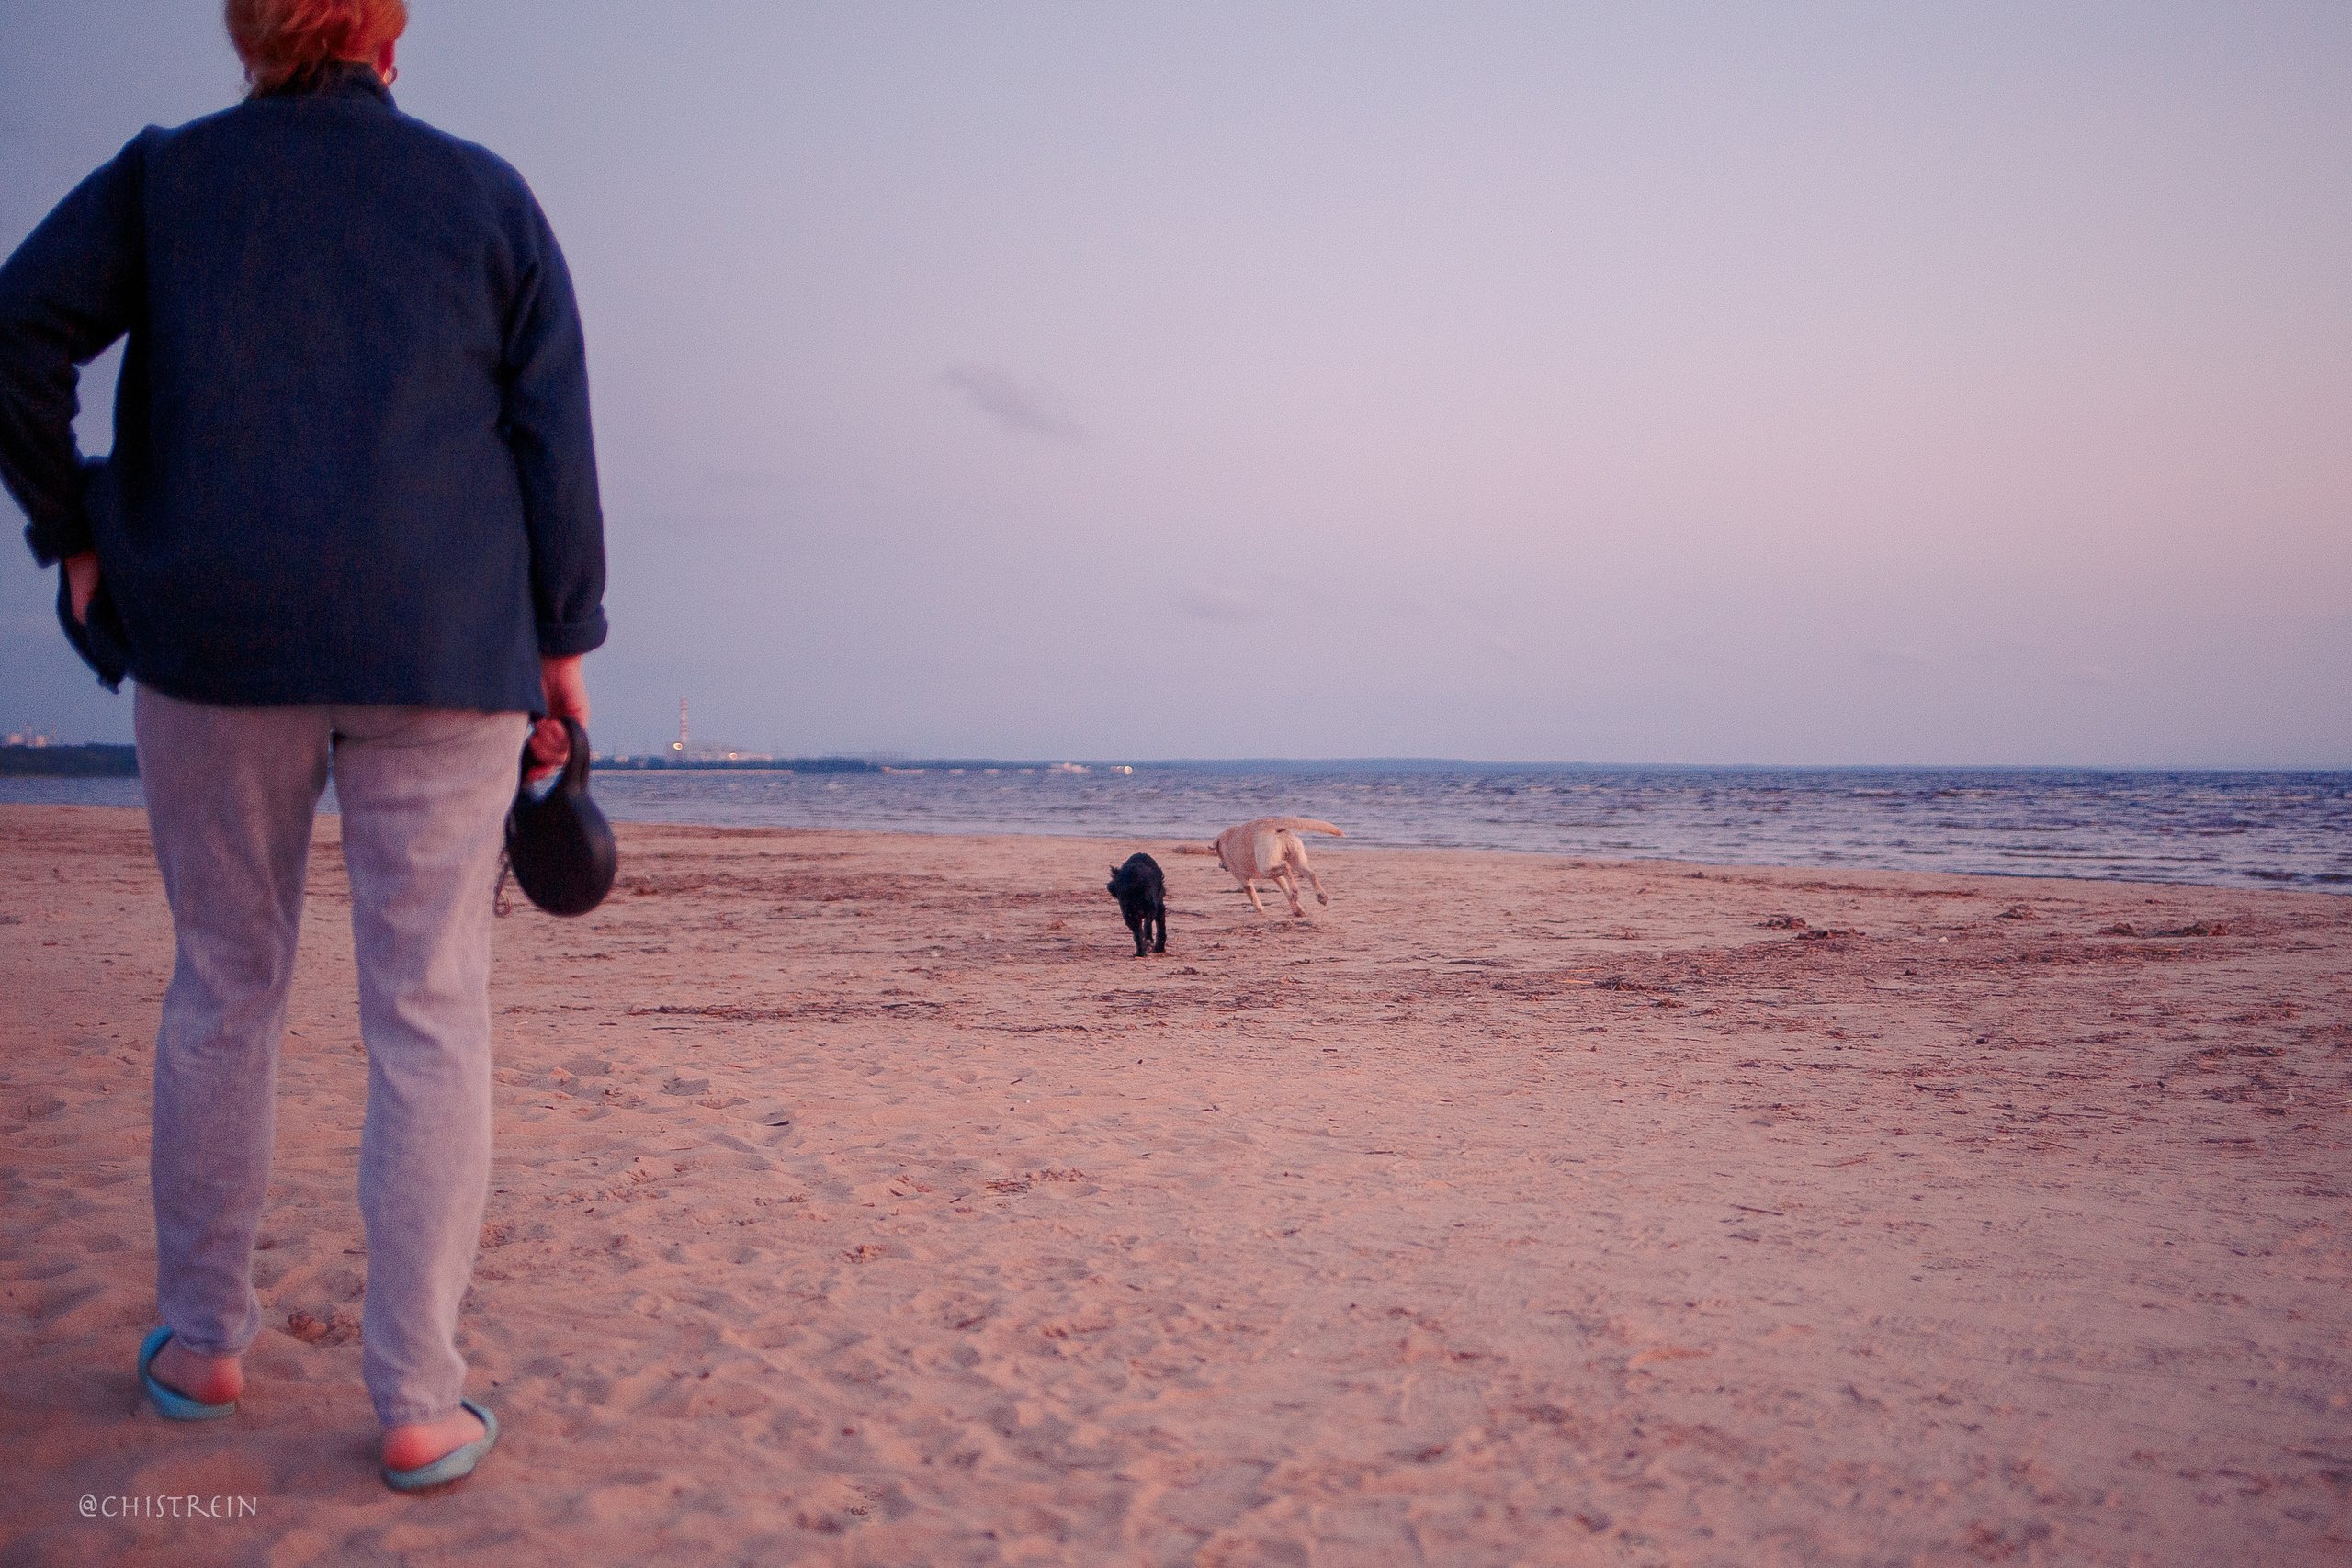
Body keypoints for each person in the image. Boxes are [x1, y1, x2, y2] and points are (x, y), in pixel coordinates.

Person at [0, 0, 606, 1490]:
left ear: (249, 40)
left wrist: (73, 534)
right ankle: (418, 1401)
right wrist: (565, 644)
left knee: (225, 984)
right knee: (429, 1012)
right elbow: (553, 436)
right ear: (388, 44)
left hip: (213, 634)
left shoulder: (167, 176)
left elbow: (16, 332)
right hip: (443, 642)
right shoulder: (484, 195)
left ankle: (204, 1344)